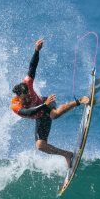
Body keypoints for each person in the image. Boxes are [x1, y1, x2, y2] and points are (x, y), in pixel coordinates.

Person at [11, 39, 89, 167]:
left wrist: (36, 50)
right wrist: (44, 105)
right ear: (18, 97)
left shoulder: (27, 83)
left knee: (54, 114)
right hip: (40, 112)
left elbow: (32, 67)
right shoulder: (15, 106)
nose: (26, 99)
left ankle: (79, 101)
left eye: (28, 96)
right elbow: (29, 112)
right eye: (24, 98)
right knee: (40, 145)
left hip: (45, 104)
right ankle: (67, 154)